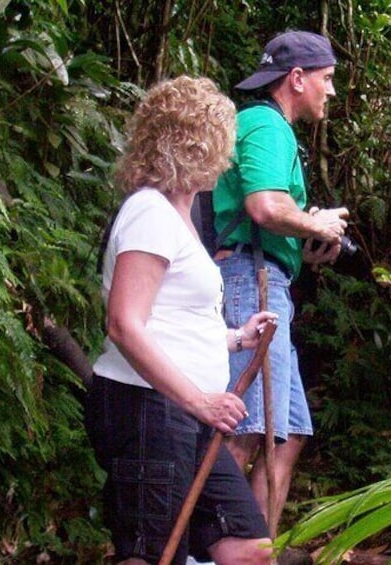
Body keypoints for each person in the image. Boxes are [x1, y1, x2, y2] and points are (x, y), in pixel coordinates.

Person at [85, 76, 277, 565]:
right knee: (150, 554)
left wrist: (235, 339)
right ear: (200, 147)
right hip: (149, 407)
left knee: (249, 550)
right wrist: (200, 401)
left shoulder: (180, 219)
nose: (228, 158)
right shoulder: (149, 212)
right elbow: (125, 324)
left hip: (185, 413)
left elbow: (172, 317)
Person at [211, 30, 349, 536]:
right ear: (296, 79)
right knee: (245, 431)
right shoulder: (266, 124)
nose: (330, 91)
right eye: (326, 79)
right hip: (251, 280)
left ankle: (255, 549)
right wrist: (316, 223)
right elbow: (264, 207)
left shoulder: (270, 129)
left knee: (285, 434)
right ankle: (207, 551)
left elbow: (269, 215)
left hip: (268, 275)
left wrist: (305, 245)